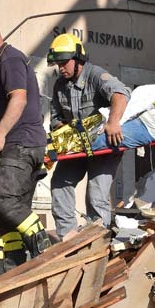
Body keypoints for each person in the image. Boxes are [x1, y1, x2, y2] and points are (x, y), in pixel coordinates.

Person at [0, 20, 51, 281]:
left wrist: (0, 132)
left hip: (21, 145)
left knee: (5, 201)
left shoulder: (10, 60)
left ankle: (43, 246)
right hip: (11, 150)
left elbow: (19, 98)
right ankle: (1, 278)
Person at [47, 33, 130, 235]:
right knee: (59, 185)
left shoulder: (96, 75)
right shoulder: (60, 85)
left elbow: (121, 93)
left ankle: (97, 240)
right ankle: (68, 239)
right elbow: (56, 117)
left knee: (96, 194)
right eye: (58, 63)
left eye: (64, 63)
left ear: (78, 60)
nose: (61, 68)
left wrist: (113, 122)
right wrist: (59, 131)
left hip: (103, 147)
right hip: (78, 147)